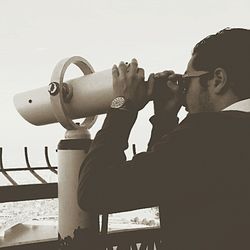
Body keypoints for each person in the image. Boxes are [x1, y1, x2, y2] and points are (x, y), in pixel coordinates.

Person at [77, 28, 250, 249]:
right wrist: (164, 119)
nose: (183, 92)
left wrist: (122, 104)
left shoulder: (208, 135)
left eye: (186, 82)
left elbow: (95, 191)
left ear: (217, 80)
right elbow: (167, 180)